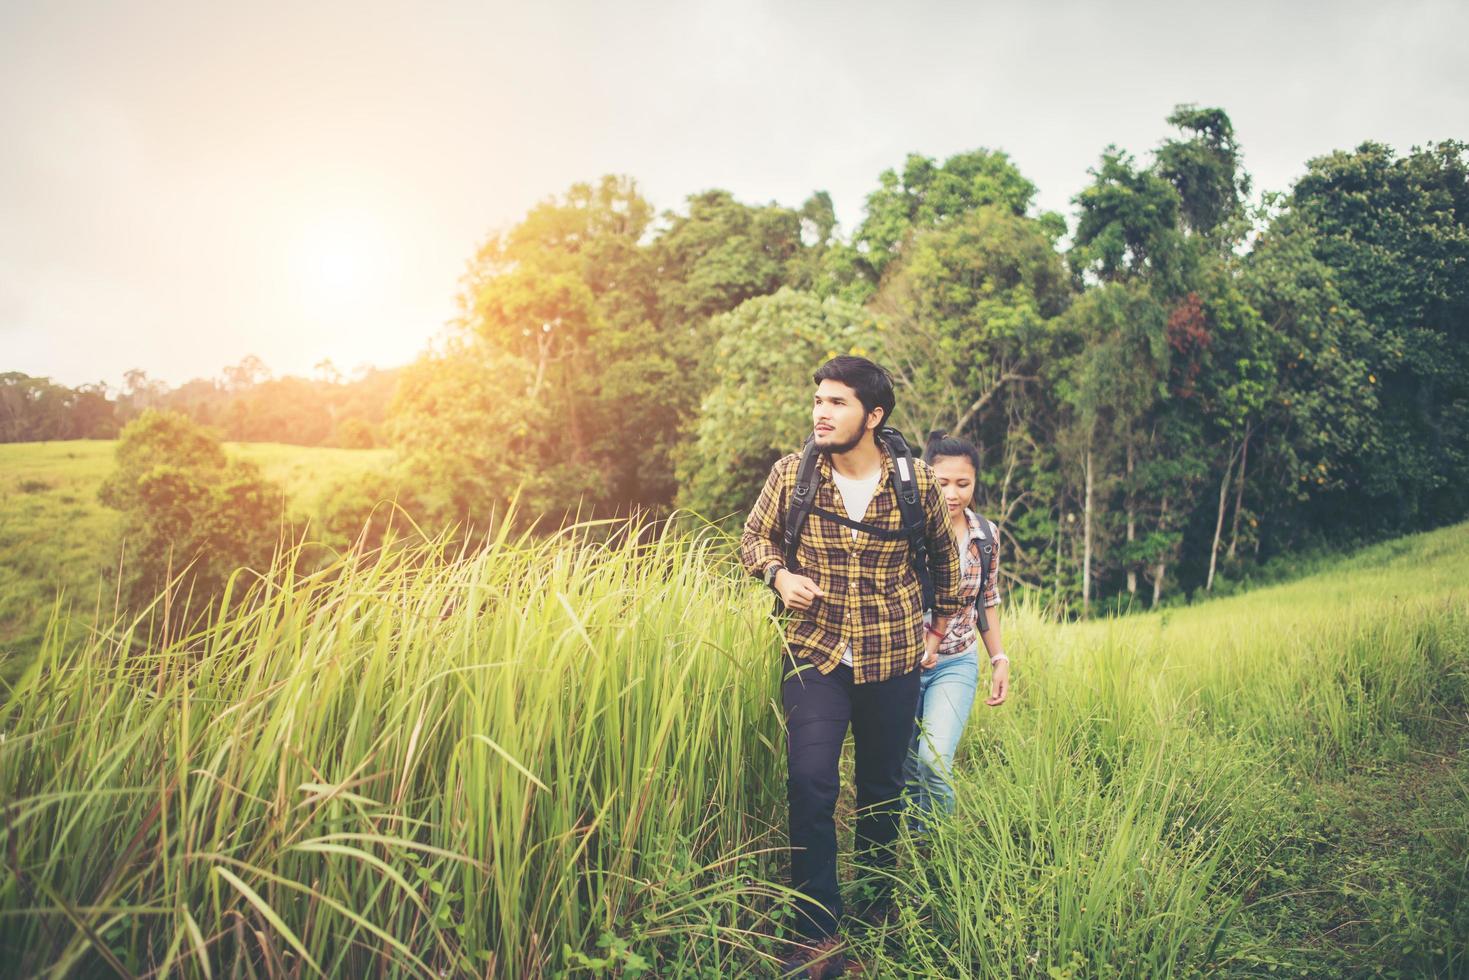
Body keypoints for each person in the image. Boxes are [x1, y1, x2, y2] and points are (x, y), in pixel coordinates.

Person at [740, 356, 963, 978]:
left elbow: (946, 564)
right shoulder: (793, 474)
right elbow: (753, 539)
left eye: (837, 402)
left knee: (881, 792)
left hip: (893, 654)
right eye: (818, 399)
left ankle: (876, 913)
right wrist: (779, 575)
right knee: (810, 780)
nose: (821, 411)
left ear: (874, 415)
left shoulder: (914, 481)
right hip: (814, 651)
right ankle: (815, 930)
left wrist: (938, 627)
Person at [903, 432, 1010, 836]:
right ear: (925, 478)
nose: (952, 493)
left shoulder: (986, 536)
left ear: (976, 483)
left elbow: (988, 599)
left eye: (963, 484)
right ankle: (912, 842)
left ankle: (939, 845)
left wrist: (1000, 659)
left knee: (934, 759)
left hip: (956, 662)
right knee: (906, 763)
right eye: (942, 482)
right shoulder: (906, 531)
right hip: (903, 662)